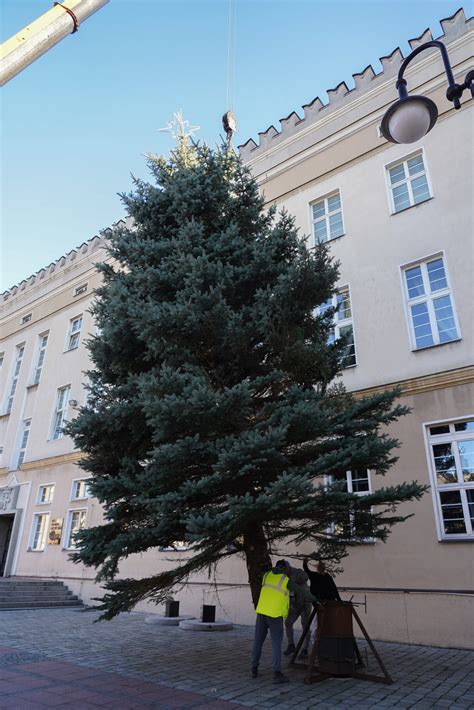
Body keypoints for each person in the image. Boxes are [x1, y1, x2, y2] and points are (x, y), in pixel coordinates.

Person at [251, 559, 316, 684]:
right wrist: (315, 599)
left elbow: (262, 573)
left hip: (261, 613)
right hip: (274, 615)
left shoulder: (267, 575)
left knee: (257, 642)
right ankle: (277, 673)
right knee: (276, 644)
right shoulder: (285, 580)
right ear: (284, 569)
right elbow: (301, 590)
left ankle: (254, 668)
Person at [283, 564, 312, 659]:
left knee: (305, 626)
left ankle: (305, 649)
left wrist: (294, 581)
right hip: (295, 604)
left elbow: (305, 577)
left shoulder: (298, 572)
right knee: (288, 623)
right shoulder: (285, 576)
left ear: (288, 568)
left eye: (284, 570)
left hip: (305, 603)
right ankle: (291, 645)